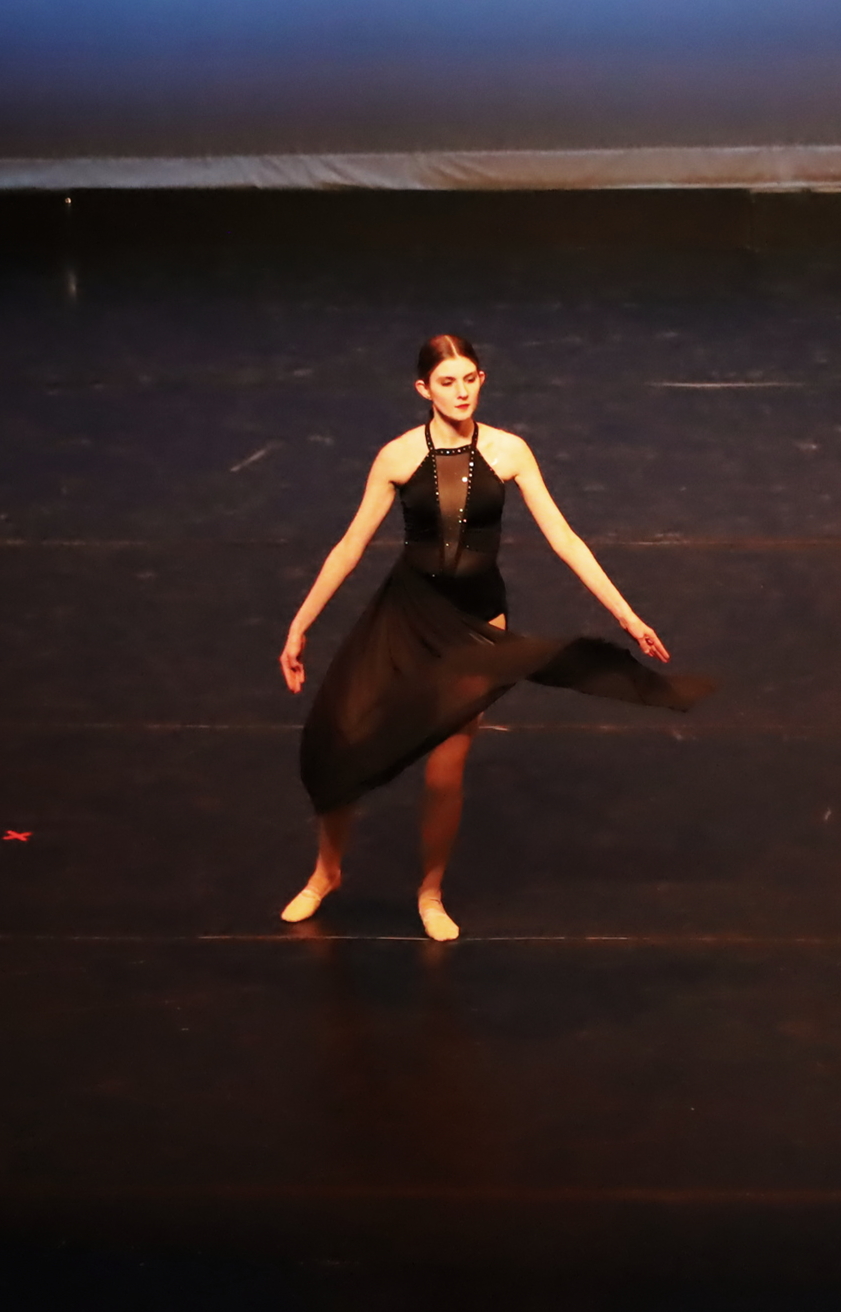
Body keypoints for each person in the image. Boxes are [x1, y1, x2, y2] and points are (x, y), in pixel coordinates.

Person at [278, 336, 711, 938]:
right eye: (447, 382)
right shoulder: (397, 457)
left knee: (444, 772)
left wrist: (626, 615)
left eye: (470, 379)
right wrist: (300, 625)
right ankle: (327, 872)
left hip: (477, 628)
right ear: (423, 390)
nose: (461, 392)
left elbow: (564, 539)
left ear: (481, 379)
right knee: (341, 739)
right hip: (406, 617)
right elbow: (350, 545)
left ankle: (431, 893)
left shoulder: (509, 451)